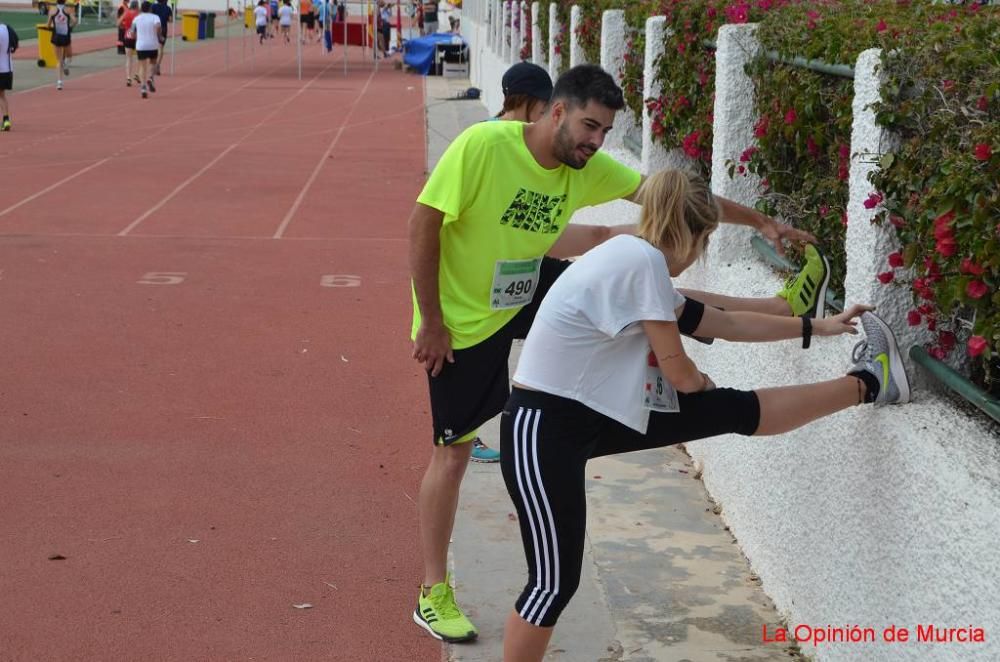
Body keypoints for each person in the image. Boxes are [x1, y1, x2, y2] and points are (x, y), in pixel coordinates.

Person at [407, 64, 816, 643]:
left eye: (603, 133)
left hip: (524, 285)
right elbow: (423, 224)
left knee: (644, 286)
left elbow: (681, 201)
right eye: (589, 127)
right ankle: (432, 591)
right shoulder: (484, 146)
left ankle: (780, 309)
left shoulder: (585, 165)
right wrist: (433, 322)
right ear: (556, 111)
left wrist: (763, 221)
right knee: (453, 452)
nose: (595, 142)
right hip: (462, 317)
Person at [498, 169, 910, 661]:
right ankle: (867, 384)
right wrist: (701, 388)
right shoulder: (640, 263)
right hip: (542, 429)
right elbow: (678, 371)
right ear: (694, 235)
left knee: (734, 409)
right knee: (551, 585)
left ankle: (869, 383)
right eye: (704, 242)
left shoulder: (633, 257)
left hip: (590, 414)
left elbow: (725, 323)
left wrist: (819, 326)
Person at [132, 1, 161, 99]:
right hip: (152, 44)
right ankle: (150, 78)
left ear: (141, 9)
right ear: (150, 8)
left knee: (142, 66)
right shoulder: (155, 17)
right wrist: (159, 36)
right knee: (153, 63)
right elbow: (158, 28)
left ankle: (143, 87)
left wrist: (137, 38)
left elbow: (132, 32)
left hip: (141, 45)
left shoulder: (136, 19)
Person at [47, 0, 77, 91]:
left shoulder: (52, 10)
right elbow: (75, 21)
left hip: (56, 36)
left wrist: (53, 26)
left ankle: (59, 83)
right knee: (69, 56)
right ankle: (66, 65)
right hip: (66, 36)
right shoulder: (68, 9)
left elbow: (48, 25)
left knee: (58, 60)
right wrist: (70, 27)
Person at [118, 0, 140, 86]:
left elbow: (118, 23)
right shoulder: (138, 15)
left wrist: (124, 27)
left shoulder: (126, 13)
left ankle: (128, 78)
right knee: (140, 57)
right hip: (137, 37)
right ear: (137, 6)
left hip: (127, 36)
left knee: (128, 58)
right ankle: (137, 74)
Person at [150, 0, 172, 77]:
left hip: (154, 27)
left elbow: (150, 16)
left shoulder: (153, 6)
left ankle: (153, 64)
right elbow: (170, 20)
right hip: (163, 28)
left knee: (153, 47)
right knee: (161, 48)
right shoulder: (168, 8)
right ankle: (157, 65)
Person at [0, 20, 15, 132]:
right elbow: (15, 44)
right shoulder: (7, 28)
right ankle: (6, 119)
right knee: (2, 95)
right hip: (7, 68)